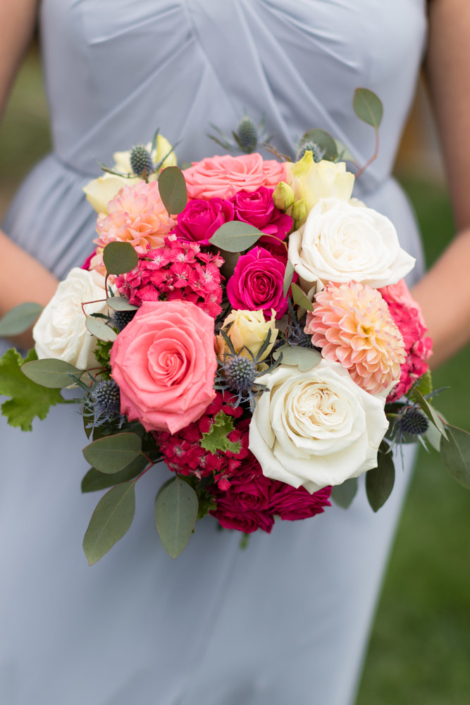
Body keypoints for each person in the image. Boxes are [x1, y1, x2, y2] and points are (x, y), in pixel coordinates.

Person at [0, 2, 468, 704]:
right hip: (72, 329)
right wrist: (106, 352)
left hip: (335, 380)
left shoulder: (344, 389)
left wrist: (355, 382)